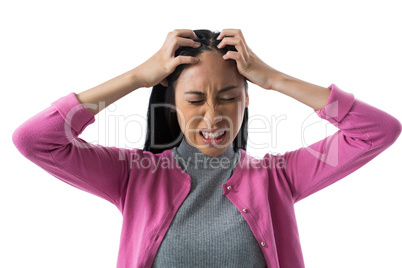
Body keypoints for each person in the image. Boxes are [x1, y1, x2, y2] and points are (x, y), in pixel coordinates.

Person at [12, 28, 401, 268]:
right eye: (195, 100)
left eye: (229, 97)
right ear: (172, 104)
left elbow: (377, 131)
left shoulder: (279, 177)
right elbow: (35, 139)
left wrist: (273, 78)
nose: (213, 116)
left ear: (246, 100)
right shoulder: (133, 176)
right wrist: (136, 77)